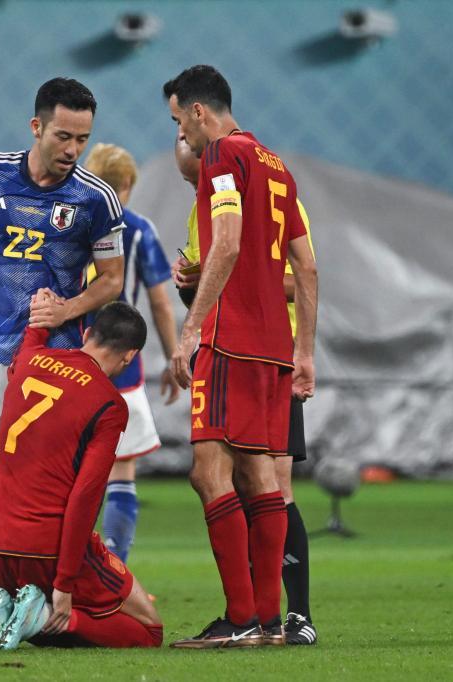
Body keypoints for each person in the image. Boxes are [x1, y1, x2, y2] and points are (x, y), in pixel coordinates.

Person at [0, 77, 126, 646]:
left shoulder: (96, 198)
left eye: (82, 139)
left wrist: (68, 308)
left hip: (53, 365)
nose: (73, 149)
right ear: (36, 127)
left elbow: (112, 280)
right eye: (63, 136)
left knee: (40, 493)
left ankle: (40, 606)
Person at [162, 65, 318, 648]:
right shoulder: (275, 164)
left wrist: (190, 330)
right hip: (274, 346)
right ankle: (269, 620)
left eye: (178, 120)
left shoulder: (223, 155)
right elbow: (307, 267)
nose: (181, 132)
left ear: (198, 111)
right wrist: (304, 352)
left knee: (208, 472)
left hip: (231, 338)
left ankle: (241, 617)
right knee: (259, 475)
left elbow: (225, 243)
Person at [0, 298, 163, 651]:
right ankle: (44, 619)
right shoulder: (109, 404)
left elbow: (33, 333)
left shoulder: (29, 360)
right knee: (149, 629)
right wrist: (65, 584)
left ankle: (5, 609)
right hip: (46, 550)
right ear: (130, 356)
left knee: (47, 606)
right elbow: (85, 498)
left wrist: (43, 308)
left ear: (87, 333)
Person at [82, 143, 180, 564]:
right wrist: (174, 357)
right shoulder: (138, 230)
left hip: (72, 364)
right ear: (127, 184)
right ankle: (115, 570)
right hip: (122, 369)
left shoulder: (71, 224)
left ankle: (68, 570)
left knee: (72, 474)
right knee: (121, 470)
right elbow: (160, 302)